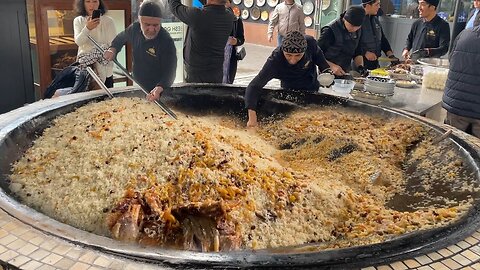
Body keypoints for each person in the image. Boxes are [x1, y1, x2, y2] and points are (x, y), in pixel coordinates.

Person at [244, 31, 332, 128]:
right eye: (288, 55)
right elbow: (254, 86)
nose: (293, 60)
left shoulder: (310, 43)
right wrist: (252, 118)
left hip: (311, 86)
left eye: (298, 55)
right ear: (283, 51)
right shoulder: (275, 61)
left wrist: (327, 73)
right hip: (289, 91)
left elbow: (320, 59)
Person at [104, 1, 177, 100]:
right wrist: (113, 49)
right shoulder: (134, 28)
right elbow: (120, 39)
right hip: (137, 82)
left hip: (158, 89)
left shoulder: (166, 40)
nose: (151, 29)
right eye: (147, 24)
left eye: (155, 25)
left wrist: (160, 87)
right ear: (139, 20)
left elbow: (170, 71)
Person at [169, 0, 235, 83]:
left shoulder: (197, 15)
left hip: (196, 74)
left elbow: (174, 5)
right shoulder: (229, 16)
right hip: (216, 71)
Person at [442, 25, 480, 138]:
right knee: (475, 152)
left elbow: (451, 58)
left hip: (456, 106)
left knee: (451, 147)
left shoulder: (464, 34)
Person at [73, 0, 116, 88]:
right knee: (86, 99)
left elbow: (113, 44)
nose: (91, 5)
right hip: (86, 68)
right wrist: (87, 28)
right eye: (88, 1)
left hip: (105, 67)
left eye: (95, 1)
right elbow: (78, 42)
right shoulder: (78, 20)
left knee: (107, 99)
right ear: (83, 3)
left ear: (99, 3)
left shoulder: (108, 21)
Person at [317, 6, 368, 78]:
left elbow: (357, 51)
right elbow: (315, 53)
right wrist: (331, 66)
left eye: (357, 27)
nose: (354, 29)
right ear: (344, 19)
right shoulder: (330, 30)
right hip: (326, 74)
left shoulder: (358, 31)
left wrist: (360, 67)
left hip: (345, 72)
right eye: (351, 25)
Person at [361, 0, 399, 70]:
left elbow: (382, 39)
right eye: (377, 4)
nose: (379, 7)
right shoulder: (357, 19)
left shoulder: (375, 19)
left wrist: (390, 54)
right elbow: (351, 42)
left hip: (375, 62)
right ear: (368, 6)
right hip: (360, 63)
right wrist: (364, 52)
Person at [223, 0, 245, 84]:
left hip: (230, 58)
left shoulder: (236, 20)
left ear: (229, 3)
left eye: (225, 2)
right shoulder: (211, 18)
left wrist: (235, 41)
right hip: (214, 57)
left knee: (228, 82)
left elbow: (241, 39)